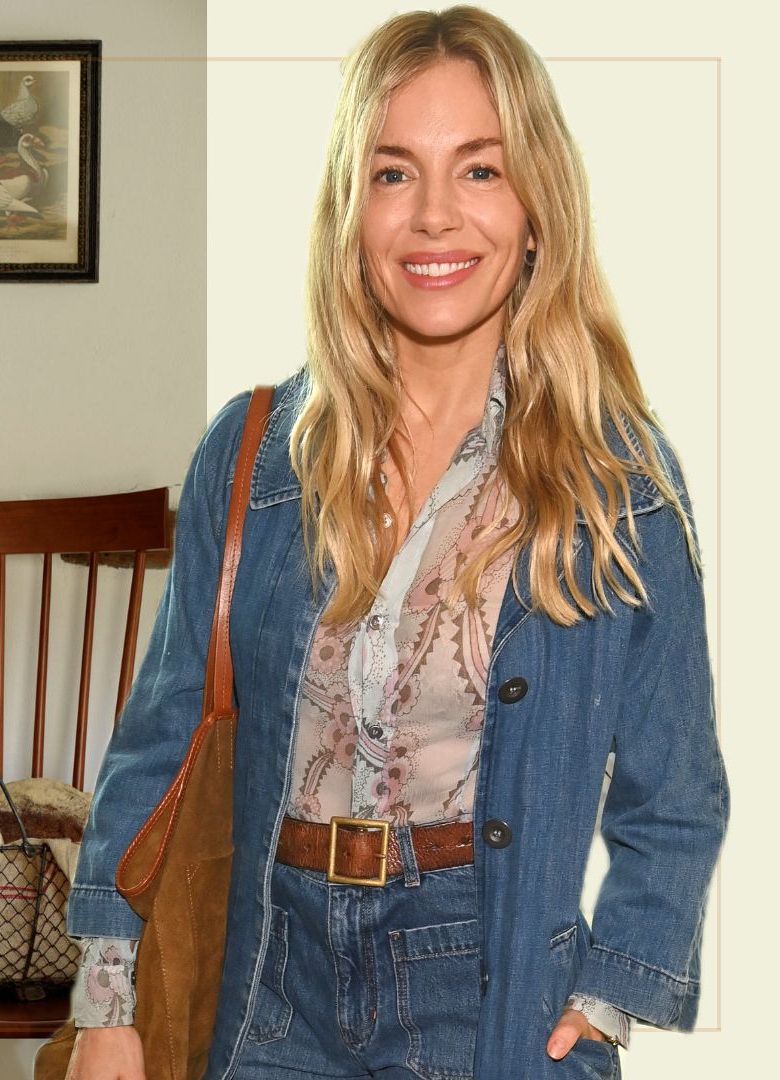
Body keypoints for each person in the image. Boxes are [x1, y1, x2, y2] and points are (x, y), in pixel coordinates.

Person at [49, 7, 728, 1079]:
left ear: (538, 209)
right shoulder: (255, 452)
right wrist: (108, 1004)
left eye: (481, 171)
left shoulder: (619, 483)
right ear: (351, 210)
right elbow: (160, 740)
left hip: (487, 985)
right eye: (394, 173)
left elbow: (675, 791)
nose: (435, 216)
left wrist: (608, 998)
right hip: (271, 979)